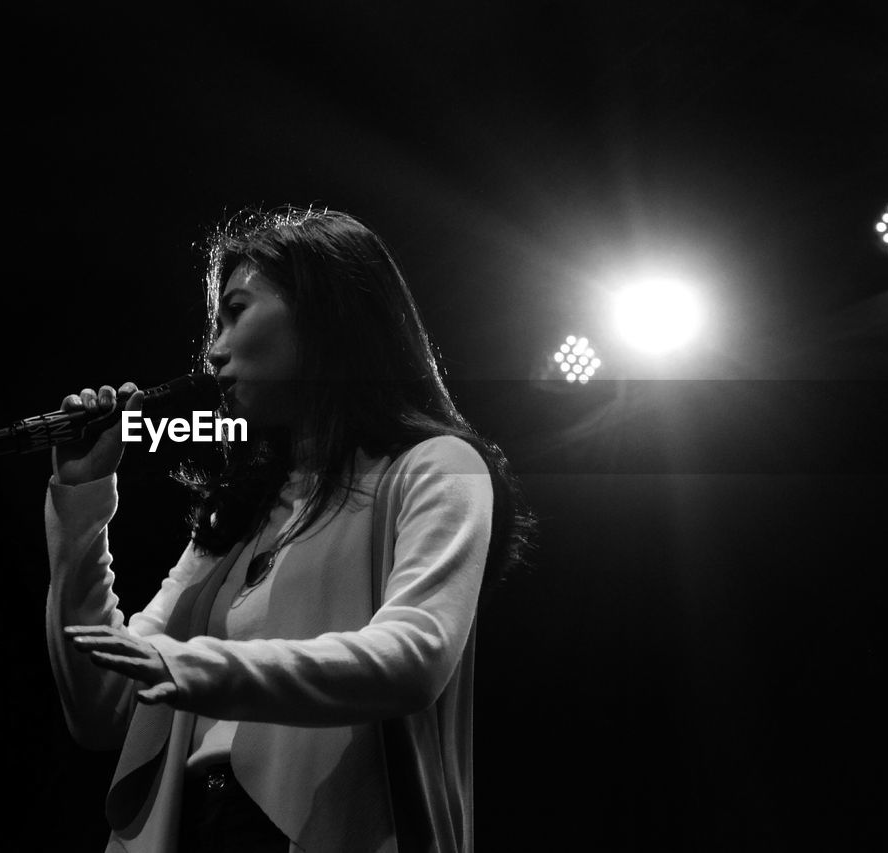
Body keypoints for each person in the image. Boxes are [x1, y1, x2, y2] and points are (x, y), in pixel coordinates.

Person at [44, 206, 532, 853]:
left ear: (323, 312)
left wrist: (192, 663)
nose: (213, 350)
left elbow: (413, 657)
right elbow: (102, 705)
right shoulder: (237, 517)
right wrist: (81, 501)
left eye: (236, 312)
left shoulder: (438, 466)